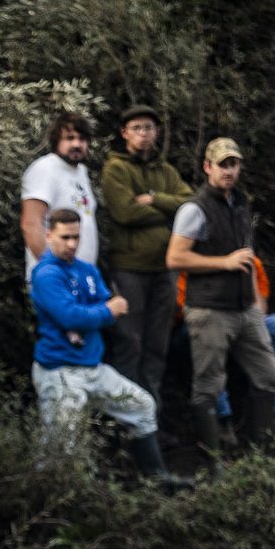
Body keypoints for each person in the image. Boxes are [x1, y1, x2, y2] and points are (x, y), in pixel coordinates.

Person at [29, 209, 190, 489]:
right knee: (61, 447)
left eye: (76, 237)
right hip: (60, 371)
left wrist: (97, 312)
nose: (71, 244)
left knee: (142, 406)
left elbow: (111, 305)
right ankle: (51, 507)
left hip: (92, 367)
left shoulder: (86, 270)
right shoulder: (45, 274)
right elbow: (72, 315)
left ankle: (157, 480)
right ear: (48, 235)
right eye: (65, 237)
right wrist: (101, 312)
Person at [166, 137, 275, 464]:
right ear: (208, 168)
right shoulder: (195, 209)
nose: (229, 170)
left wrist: (255, 301)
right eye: (222, 164)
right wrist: (224, 262)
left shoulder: (240, 204)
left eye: (234, 164)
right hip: (208, 309)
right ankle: (212, 462)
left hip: (244, 308)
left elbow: (246, 256)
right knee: (207, 387)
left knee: (269, 377)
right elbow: (175, 258)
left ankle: (255, 453)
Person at [100, 104, 193, 403]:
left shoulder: (165, 170)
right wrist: (168, 214)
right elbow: (125, 212)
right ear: (124, 133)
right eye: (137, 128)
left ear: (157, 133)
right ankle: (124, 419)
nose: (143, 134)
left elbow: (190, 206)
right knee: (129, 342)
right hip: (129, 269)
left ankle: (150, 417)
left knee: (157, 345)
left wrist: (153, 199)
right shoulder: (116, 168)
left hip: (164, 270)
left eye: (149, 128)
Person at [20, 111, 98, 279]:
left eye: (82, 139)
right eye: (69, 138)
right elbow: (31, 224)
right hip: (56, 280)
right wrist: (52, 272)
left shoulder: (81, 172)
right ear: (56, 141)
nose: (77, 144)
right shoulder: (45, 168)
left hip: (81, 277)